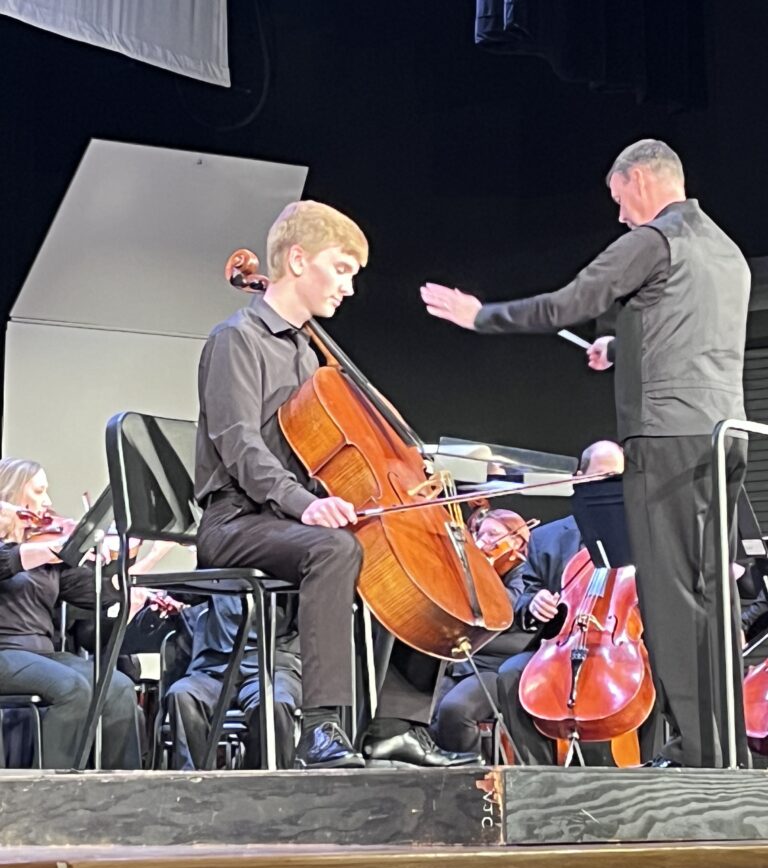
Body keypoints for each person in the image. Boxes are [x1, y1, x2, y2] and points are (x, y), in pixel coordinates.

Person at [421, 138, 751, 768]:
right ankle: (725, 746)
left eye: (618, 196)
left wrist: (479, 316)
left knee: (669, 598)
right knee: (709, 595)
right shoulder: (725, 250)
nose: (620, 212)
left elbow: (569, 301)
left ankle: (700, 756)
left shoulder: (654, 239)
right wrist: (620, 349)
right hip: (721, 438)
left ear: (641, 180)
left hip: (663, 435)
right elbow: (687, 332)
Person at [197, 201, 482, 770]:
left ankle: (397, 725)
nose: (349, 287)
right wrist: (306, 504)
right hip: (237, 520)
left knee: (423, 555)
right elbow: (241, 448)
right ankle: (321, 730)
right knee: (334, 548)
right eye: (343, 268)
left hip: (289, 519)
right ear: (298, 261)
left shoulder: (312, 352)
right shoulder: (237, 340)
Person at [495, 442, 639, 765]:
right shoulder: (546, 538)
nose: (610, 488)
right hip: (561, 646)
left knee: (653, 680)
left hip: (620, 645)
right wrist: (534, 605)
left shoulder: (642, 535)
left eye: (618, 480)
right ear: (579, 479)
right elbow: (523, 599)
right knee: (510, 675)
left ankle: (646, 774)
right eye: (602, 478)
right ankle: (538, 778)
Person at [0, 458, 143, 769]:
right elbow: (9, 560)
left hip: (42, 655)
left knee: (117, 687)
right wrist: (56, 547)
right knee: (72, 689)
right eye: (39, 491)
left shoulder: (46, 555)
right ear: (10, 496)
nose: (48, 502)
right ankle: (51, 796)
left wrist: (122, 559)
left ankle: (119, 792)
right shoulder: (23, 550)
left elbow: (93, 592)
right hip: (4, 653)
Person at [430, 508, 530, 755]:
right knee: (420, 713)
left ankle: (473, 777)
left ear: (516, 540)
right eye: (479, 535)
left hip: (498, 667)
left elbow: (509, 607)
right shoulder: (484, 571)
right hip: (462, 663)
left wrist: (479, 574)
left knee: (455, 710)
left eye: (492, 534)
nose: (482, 542)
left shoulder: (525, 572)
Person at [165, 595, 301, 770]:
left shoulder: (289, 571)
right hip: (216, 667)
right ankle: (196, 786)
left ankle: (264, 786)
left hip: (274, 665)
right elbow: (189, 591)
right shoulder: (220, 570)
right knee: (182, 694)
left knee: (274, 704)